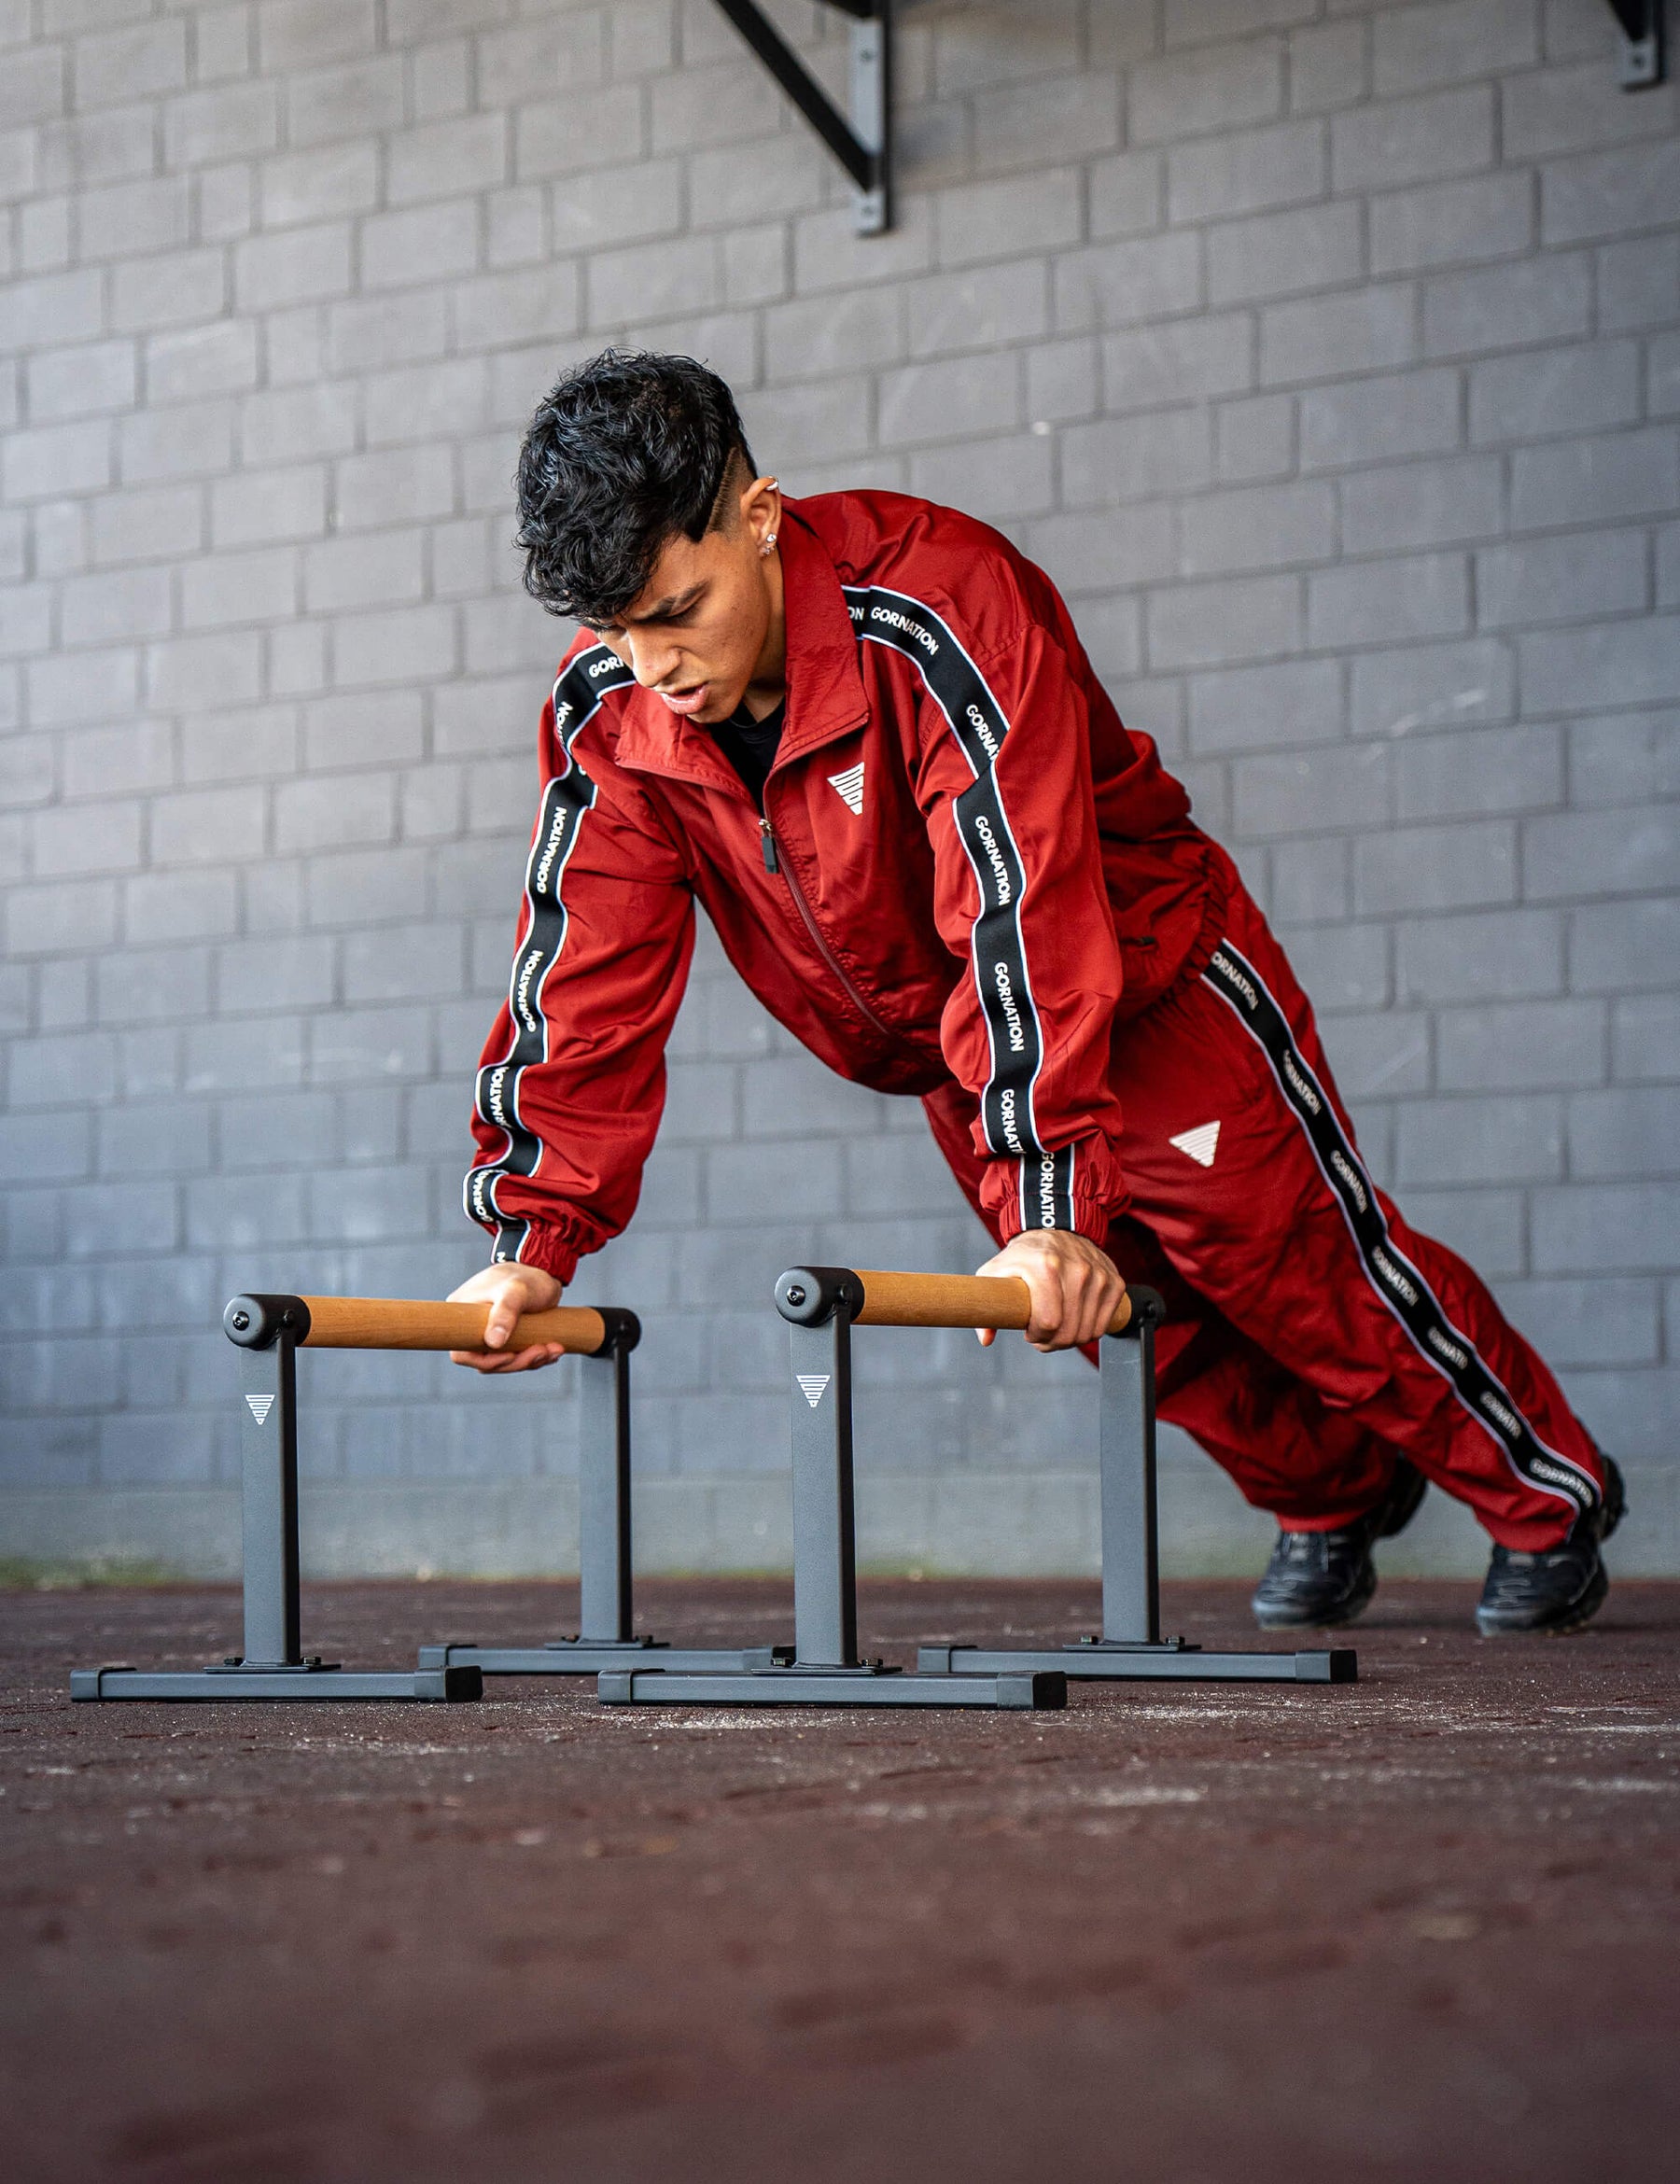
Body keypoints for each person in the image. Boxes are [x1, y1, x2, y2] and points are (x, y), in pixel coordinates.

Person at [448, 349, 1621, 1637]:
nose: (650, 661)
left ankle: (1543, 1496)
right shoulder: (611, 706)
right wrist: (532, 1244)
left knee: (1299, 1274)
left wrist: (1043, 1188)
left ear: (761, 517)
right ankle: (1334, 1492)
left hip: (1151, 992)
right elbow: (582, 969)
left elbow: (1020, 897)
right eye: (613, 627)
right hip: (975, 1052)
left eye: (677, 610)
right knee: (1130, 1327)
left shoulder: (942, 604)